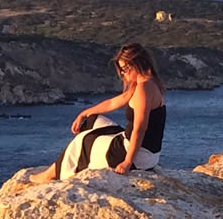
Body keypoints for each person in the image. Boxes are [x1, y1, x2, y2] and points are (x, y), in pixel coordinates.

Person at [29, 44, 166, 183]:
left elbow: (140, 128)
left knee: (83, 140)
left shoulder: (144, 88)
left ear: (136, 63)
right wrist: (84, 113)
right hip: (142, 150)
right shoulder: (143, 83)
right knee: (92, 120)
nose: (122, 73)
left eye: (124, 68)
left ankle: (50, 174)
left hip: (139, 156)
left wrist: (127, 162)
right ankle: (59, 167)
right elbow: (113, 103)